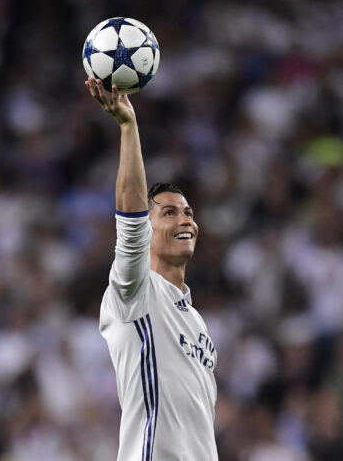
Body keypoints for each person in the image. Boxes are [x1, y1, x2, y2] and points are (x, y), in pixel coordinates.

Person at [85, 78, 217, 460]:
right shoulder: (135, 292)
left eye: (189, 213)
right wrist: (129, 127)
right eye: (170, 212)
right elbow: (129, 222)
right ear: (148, 226)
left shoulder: (195, 320)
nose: (186, 221)